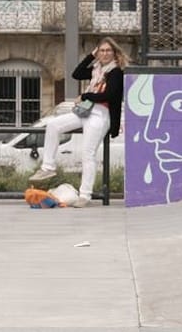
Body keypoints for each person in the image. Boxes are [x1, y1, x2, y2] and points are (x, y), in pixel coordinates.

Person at [28, 37, 129, 207]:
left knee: (87, 154)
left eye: (108, 51)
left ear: (114, 53)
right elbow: (76, 73)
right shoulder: (96, 69)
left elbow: (110, 96)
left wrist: (85, 96)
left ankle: (85, 195)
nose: (104, 54)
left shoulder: (116, 72)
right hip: (85, 111)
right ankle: (48, 167)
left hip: (100, 114)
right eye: (101, 50)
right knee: (53, 125)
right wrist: (91, 55)